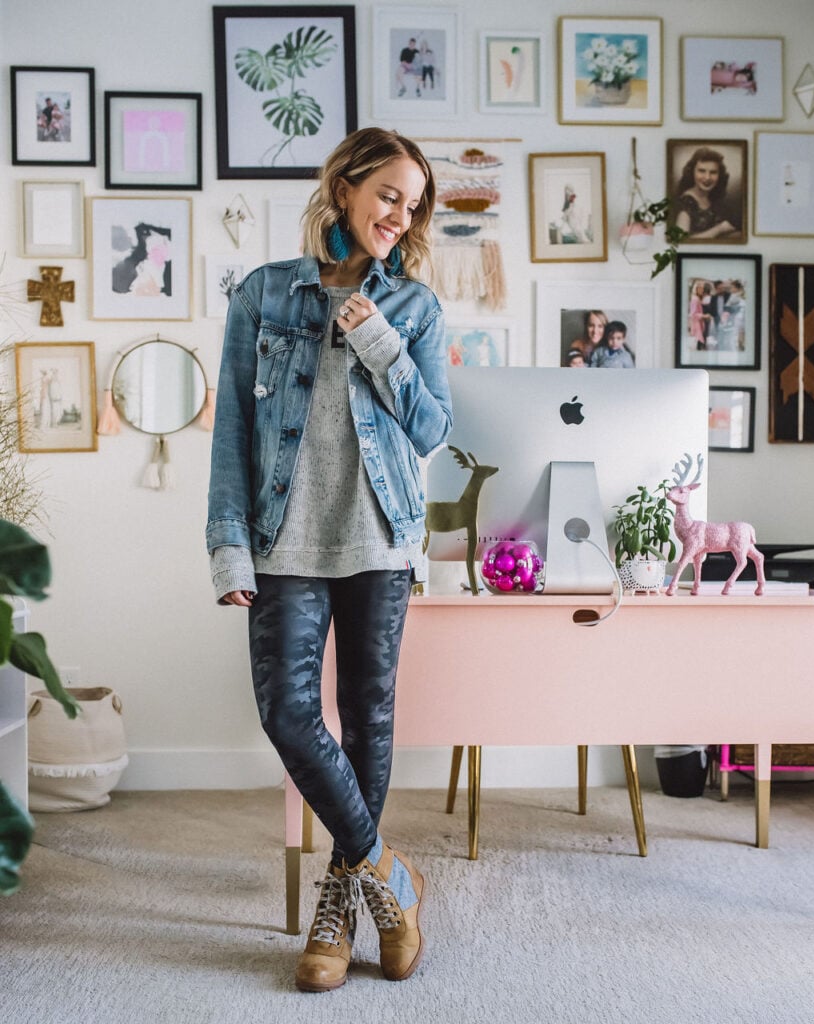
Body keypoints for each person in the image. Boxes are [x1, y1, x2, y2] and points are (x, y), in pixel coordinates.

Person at [206, 127, 451, 993]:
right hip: (283, 542)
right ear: (345, 187)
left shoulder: (414, 307)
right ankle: (385, 874)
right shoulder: (265, 295)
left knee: (368, 716)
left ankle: (339, 906)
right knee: (286, 711)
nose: (399, 214)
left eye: (411, 203)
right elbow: (231, 433)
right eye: (388, 193)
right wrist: (228, 546)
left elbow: (431, 432)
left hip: (380, 537)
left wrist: (381, 339)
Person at [674, 146, 740, 240]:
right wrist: (720, 229)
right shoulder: (687, 201)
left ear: (720, 175)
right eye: (701, 171)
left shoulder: (713, 197)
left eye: (713, 172)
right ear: (692, 172)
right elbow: (680, 240)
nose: (707, 177)